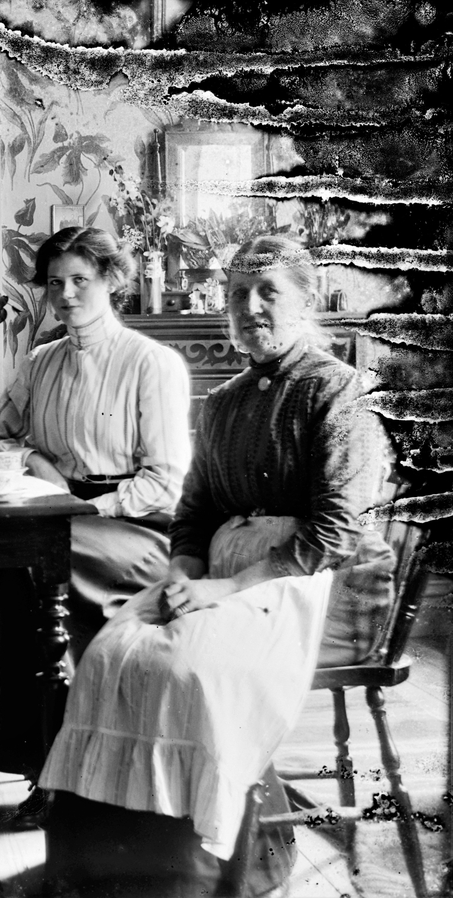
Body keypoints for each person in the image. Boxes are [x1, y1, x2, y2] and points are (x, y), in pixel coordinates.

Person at [40, 235, 396, 897]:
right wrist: (183, 576)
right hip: (224, 580)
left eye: (269, 293)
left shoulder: (339, 391)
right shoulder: (226, 400)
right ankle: (105, 864)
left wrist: (227, 587)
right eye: (238, 294)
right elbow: (195, 509)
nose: (251, 307)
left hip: (320, 588)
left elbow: (334, 531)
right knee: (112, 653)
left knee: (188, 671)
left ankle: (199, 870)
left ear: (306, 300)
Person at [0, 226, 192, 779]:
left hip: (135, 527)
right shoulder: (40, 362)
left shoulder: (151, 363)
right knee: (19, 564)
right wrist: (37, 468)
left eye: (80, 280)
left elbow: (165, 480)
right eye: (53, 283)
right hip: (54, 512)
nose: (65, 294)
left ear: (111, 280)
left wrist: (90, 509)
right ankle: (36, 756)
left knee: (25, 567)